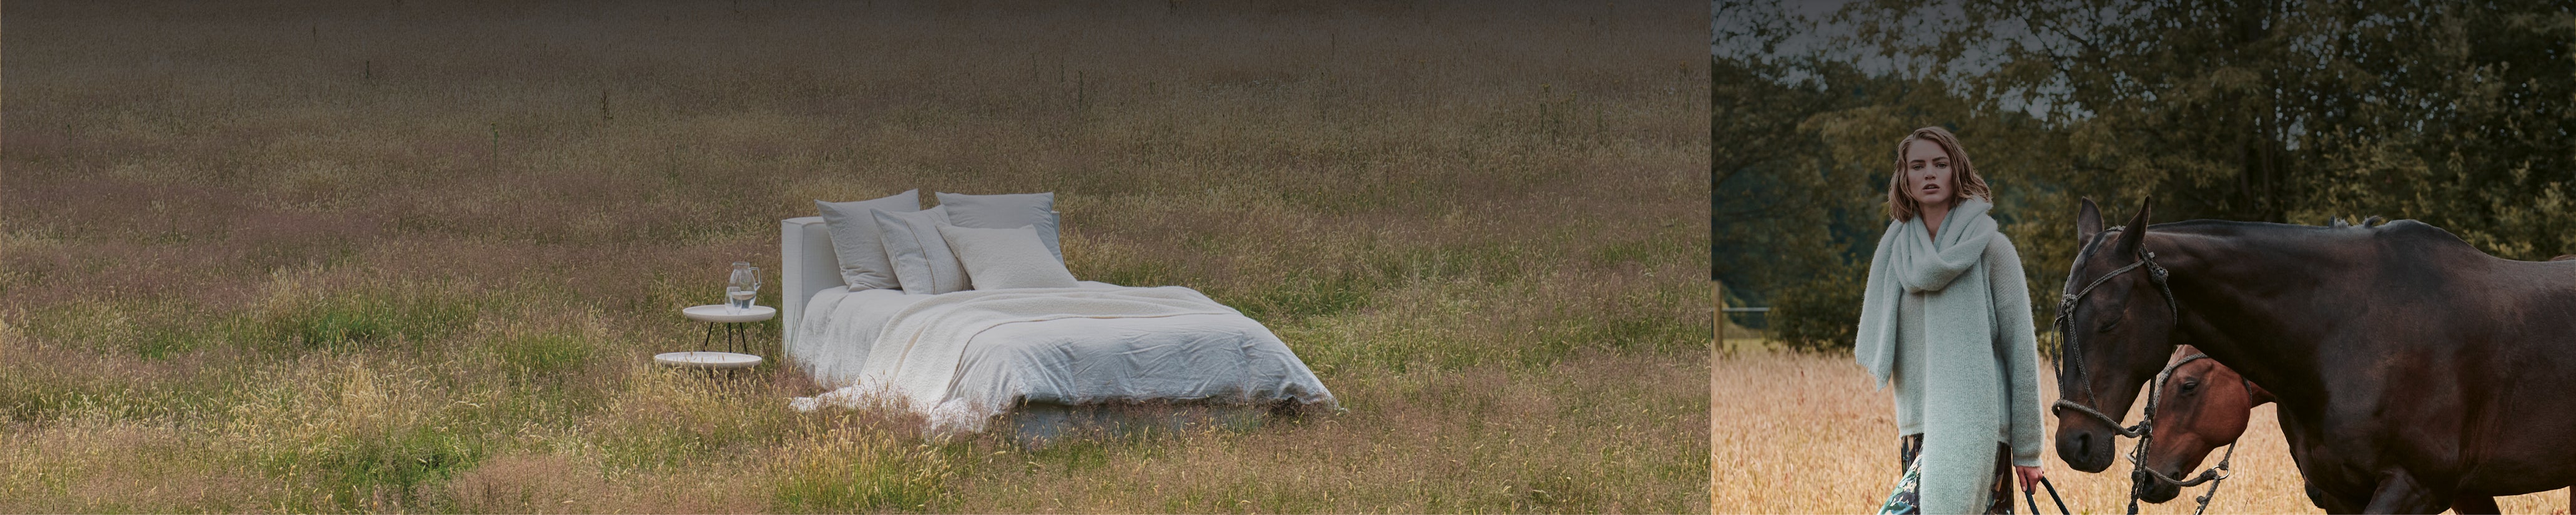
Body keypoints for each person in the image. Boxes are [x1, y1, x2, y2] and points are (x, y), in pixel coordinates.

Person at [1853, 126, 2046, 514]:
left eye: (1940, 164)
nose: (1929, 174)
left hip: (1978, 425)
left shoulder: (1994, 251)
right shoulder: (1896, 254)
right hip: (1918, 427)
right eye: (1918, 165)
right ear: (1904, 178)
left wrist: (2028, 449)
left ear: (1956, 172)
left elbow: (2021, 353)